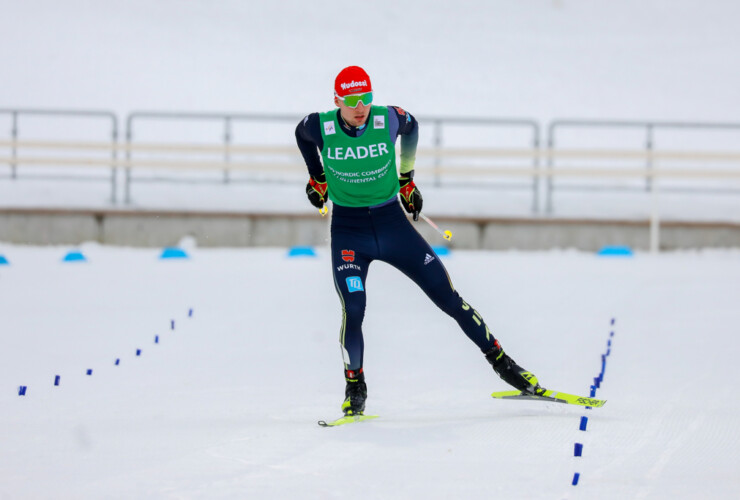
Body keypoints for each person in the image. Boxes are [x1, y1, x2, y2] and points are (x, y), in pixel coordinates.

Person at [295, 66, 543, 417]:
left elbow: (412, 127)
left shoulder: (388, 119)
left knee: (449, 298)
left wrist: (407, 178)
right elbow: (301, 135)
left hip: (392, 225)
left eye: (365, 98)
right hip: (350, 232)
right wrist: (316, 176)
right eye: (351, 101)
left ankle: (504, 364)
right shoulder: (321, 126)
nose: (360, 107)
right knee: (354, 309)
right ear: (337, 101)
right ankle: (355, 387)